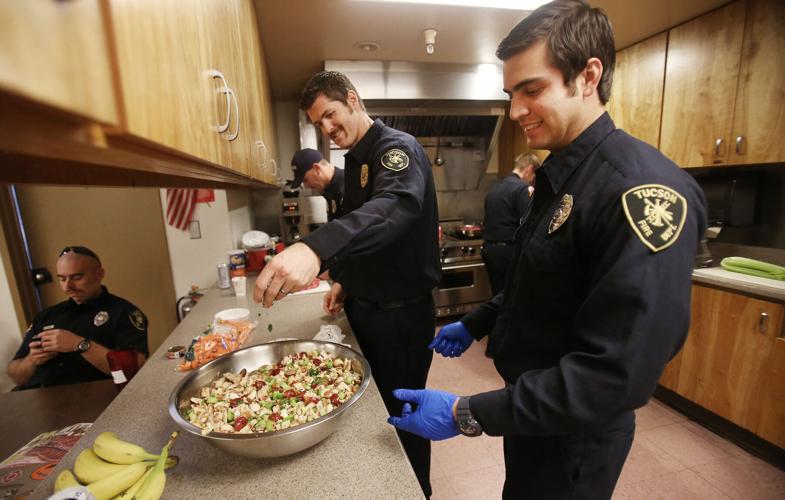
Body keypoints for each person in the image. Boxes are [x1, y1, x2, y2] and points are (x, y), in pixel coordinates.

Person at [387, 1, 707, 499]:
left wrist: (465, 412)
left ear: (587, 76)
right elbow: (543, 281)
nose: (515, 111)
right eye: (510, 93)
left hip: (574, 434)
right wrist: (478, 320)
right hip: (534, 412)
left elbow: (612, 377)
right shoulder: (561, 177)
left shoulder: (638, 192)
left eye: (531, 90)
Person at [253, 71, 441, 496]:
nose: (328, 130)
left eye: (331, 116)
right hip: (366, 307)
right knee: (373, 417)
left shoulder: (396, 149)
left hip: (400, 318)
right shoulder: (355, 159)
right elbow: (368, 238)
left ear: (353, 100)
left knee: (402, 418)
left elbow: (393, 208)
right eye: (320, 123)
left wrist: (315, 250)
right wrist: (345, 280)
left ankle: (417, 491)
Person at [7, 246, 149, 390]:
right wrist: (31, 360)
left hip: (94, 396)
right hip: (42, 397)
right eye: (62, 279)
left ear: (99, 274)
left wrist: (79, 344)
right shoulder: (46, 316)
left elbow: (132, 369)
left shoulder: (124, 312)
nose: (68, 286)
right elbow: (15, 376)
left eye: (76, 277)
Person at [482, 153, 540, 295]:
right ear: (530, 169)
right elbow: (528, 222)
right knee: (510, 297)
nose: (532, 181)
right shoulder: (521, 189)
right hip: (508, 252)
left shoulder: (495, 188)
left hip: (490, 250)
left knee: (497, 294)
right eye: (534, 176)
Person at [287, 148, 344, 221]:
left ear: (316, 168)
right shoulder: (330, 190)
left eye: (306, 180)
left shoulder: (349, 185)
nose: (307, 187)